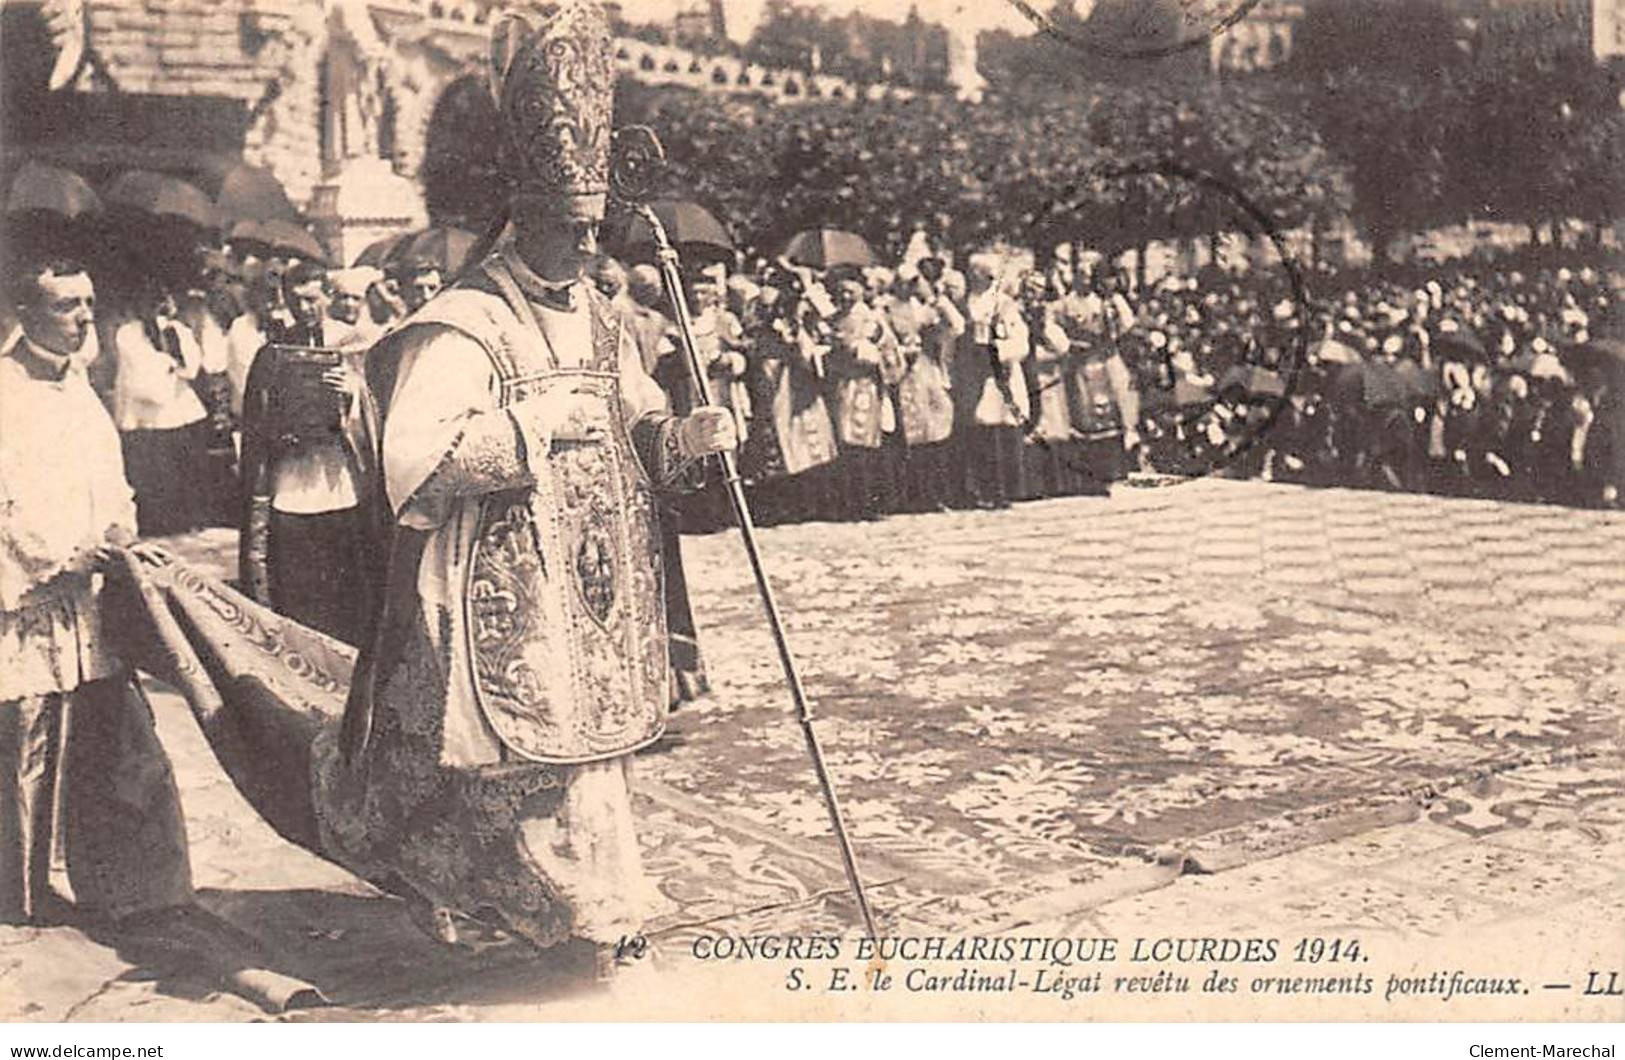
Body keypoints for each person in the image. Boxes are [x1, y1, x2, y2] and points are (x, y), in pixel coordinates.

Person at [318, 0, 738, 975]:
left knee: (588, 749)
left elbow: (636, 429)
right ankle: (501, 906)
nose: (591, 251)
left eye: (597, 231)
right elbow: (412, 464)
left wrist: (686, 434)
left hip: (590, 576)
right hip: (493, 574)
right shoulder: (463, 321)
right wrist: (522, 428)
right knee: (510, 758)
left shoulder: (602, 315)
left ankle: (597, 895)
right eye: (573, 229)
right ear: (528, 214)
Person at [0, 258, 193, 925]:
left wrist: (121, 534)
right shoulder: (5, 389)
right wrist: (63, 556)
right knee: (26, 745)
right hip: (31, 598)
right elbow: (8, 500)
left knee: (119, 741)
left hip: (92, 598)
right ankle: (20, 898)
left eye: (88, 303)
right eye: (65, 306)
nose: (84, 318)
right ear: (24, 314)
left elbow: (108, 476)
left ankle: (136, 892)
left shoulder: (82, 384)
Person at [237, 261, 382, 645]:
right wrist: (281, 430)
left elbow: (379, 412)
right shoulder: (271, 354)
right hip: (293, 486)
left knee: (348, 596)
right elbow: (254, 423)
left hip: (342, 483)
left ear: (328, 298)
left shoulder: (355, 345)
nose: (305, 309)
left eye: (312, 300)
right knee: (301, 599)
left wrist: (351, 395)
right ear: (285, 299)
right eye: (296, 300)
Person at [112, 283, 222, 535]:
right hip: (146, 412)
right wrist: (167, 363)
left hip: (178, 405)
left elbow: (192, 366)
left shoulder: (178, 330)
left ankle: (188, 517)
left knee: (183, 463)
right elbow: (139, 373)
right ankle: (159, 522)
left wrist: (174, 357)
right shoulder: (128, 334)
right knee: (155, 470)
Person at [953, 252, 1030, 509]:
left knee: (999, 430)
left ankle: (1002, 490)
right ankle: (976, 488)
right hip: (970, 374)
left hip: (998, 374)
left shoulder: (1004, 304)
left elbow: (1019, 340)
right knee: (976, 432)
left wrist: (999, 351)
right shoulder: (962, 302)